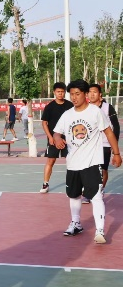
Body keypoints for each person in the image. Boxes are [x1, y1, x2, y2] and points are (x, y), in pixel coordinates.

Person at [53, 79, 121, 243]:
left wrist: (117, 153)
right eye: (72, 94)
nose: (74, 97)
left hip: (92, 162)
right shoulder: (67, 114)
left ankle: (100, 231)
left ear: (85, 95)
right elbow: (57, 132)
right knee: (74, 195)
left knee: (96, 196)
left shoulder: (95, 112)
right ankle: (76, 223)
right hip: (73, 162)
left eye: (77, 94)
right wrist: (57, 139)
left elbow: (109, 132)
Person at [40, 82, 74, 193]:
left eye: (62, 91)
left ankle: (74, 183)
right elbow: (44, 123)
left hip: (68, 139)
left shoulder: (70, 106)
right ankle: (45, 184)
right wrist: (50, 137)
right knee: (51, 160)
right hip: (53, 139)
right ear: (54, 92)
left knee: (71, 161)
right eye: (58, 91)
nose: (60, 93)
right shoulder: (49, 107)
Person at [88, 83, 120, 193]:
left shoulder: (107, 107)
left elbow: (116, 126)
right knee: (90, 169)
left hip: (105, 143)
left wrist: (114, 145)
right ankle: (90, 190)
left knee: (103, 169)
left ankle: (100, 190)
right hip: (90, 144)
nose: (92, 94)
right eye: (90, 92)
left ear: (100, 94)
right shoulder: (86, 108)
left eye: (94, 92)